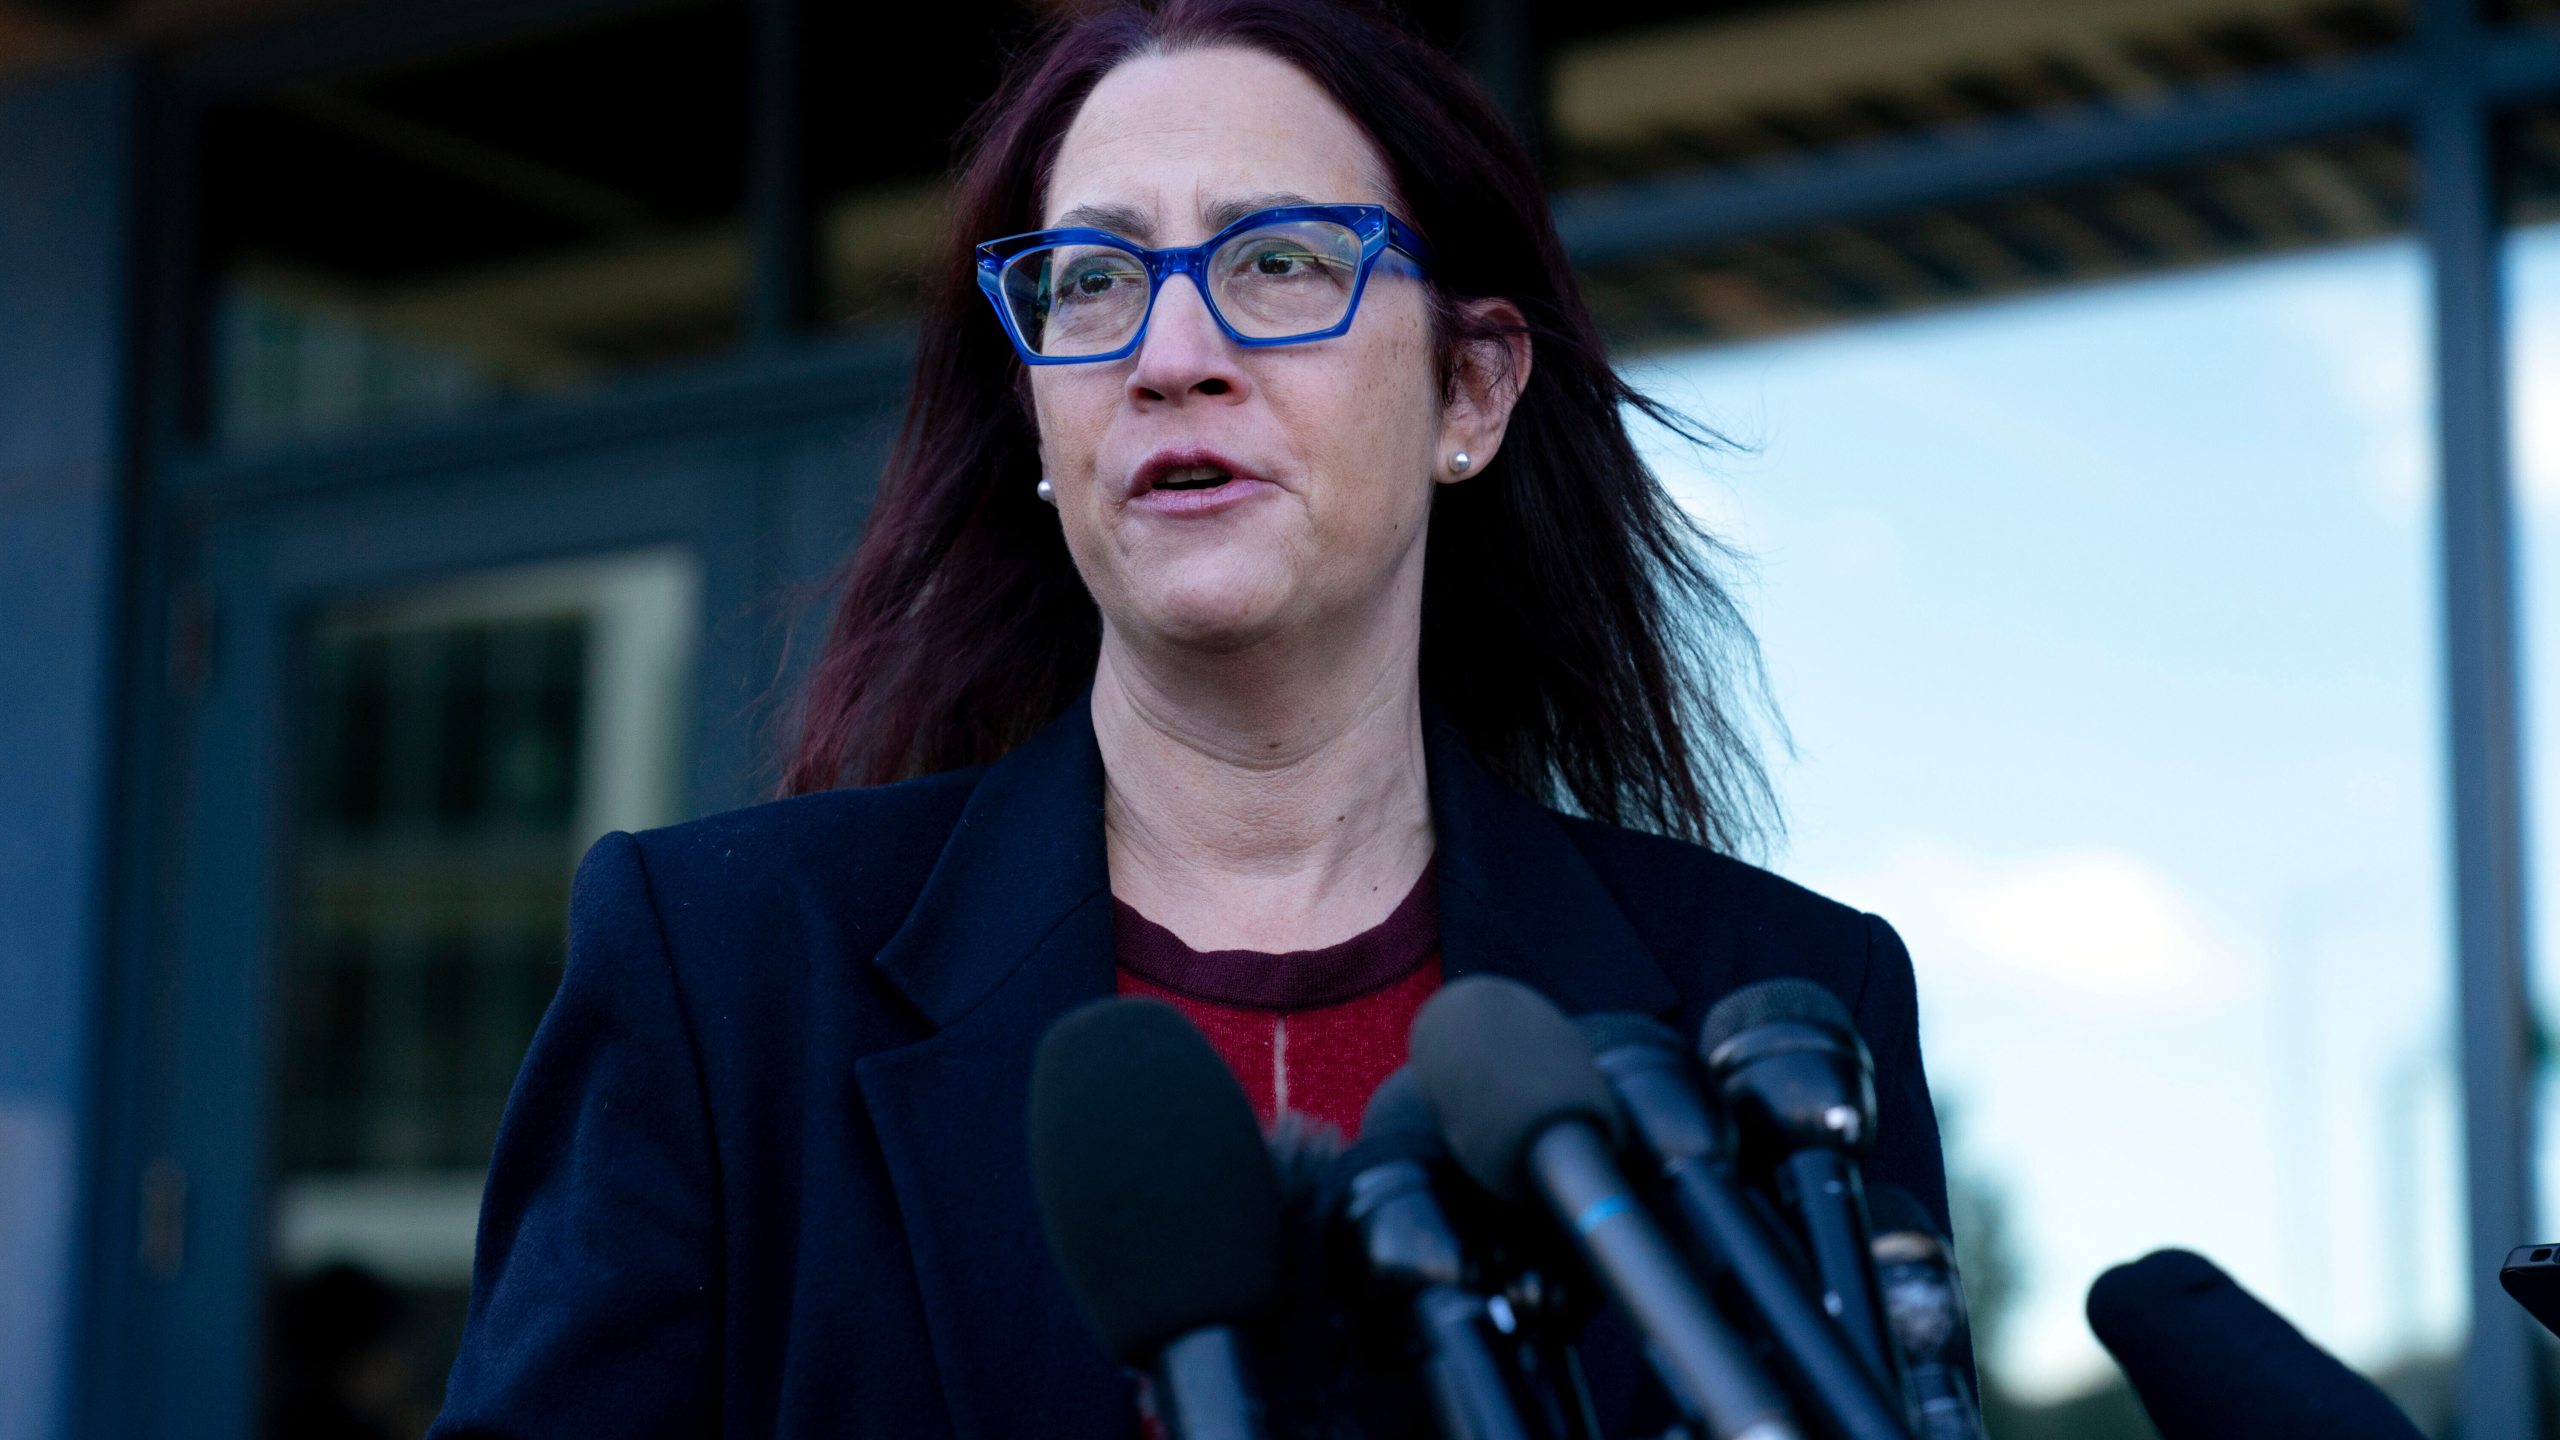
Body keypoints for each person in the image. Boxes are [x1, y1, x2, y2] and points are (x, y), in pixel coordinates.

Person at [430, 1, 1954, 1435]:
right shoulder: (723, 971)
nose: (1169, 357)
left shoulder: (1779, 1003)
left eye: (1280, 263)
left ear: (1472, 396)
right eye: (1091, 281)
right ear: (1037, 416)